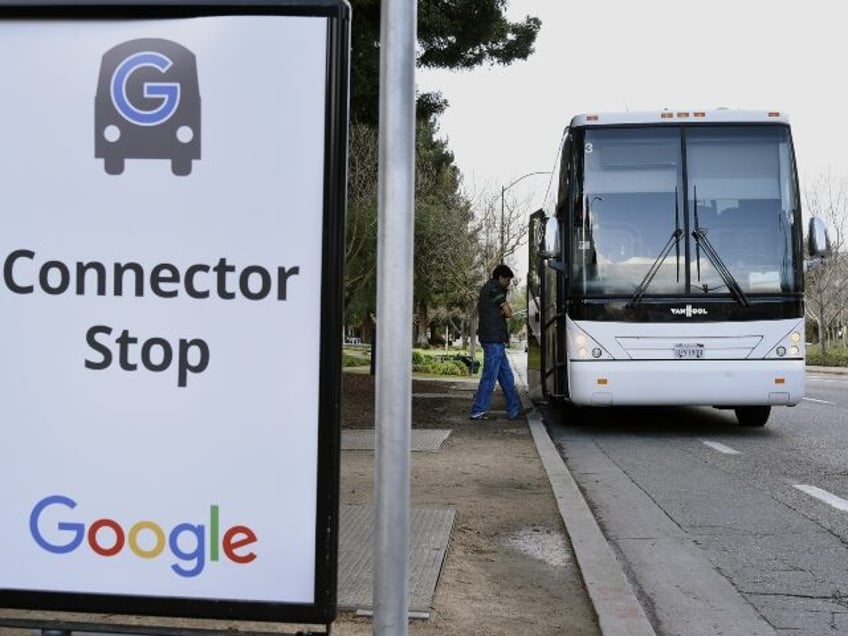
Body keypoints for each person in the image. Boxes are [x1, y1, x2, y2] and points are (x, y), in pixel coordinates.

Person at [469, 264, 522, 420]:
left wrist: (502, 311)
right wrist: (504, 311)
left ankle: (514, 409)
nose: (508, 284)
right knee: (490, 375)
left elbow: (503, 312)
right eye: (507, 280)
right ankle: (478, 409)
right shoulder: (494, 290)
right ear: (499, 278)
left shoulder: (488, 288)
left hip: (494, 338)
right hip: (493, 339)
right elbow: (508, 312)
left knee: (506, 375)